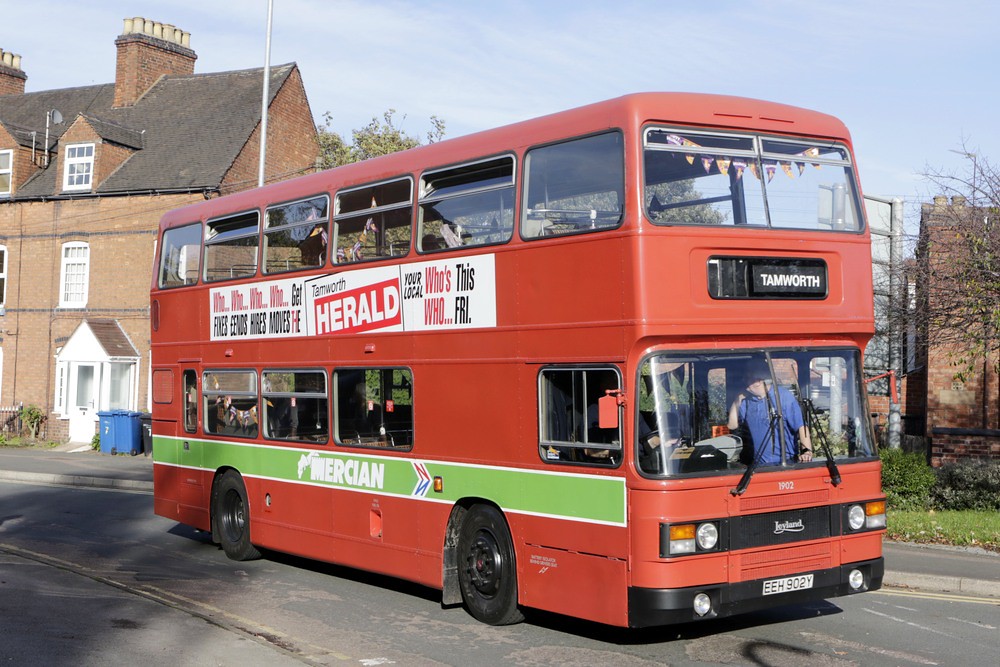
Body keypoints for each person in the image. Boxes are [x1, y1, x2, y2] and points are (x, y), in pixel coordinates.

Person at [727, 362, 813, 465]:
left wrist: (807, 451)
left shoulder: (783, 397)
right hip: (757, 466)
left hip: (784, 463)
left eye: (747, 378)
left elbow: (801, 426)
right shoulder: (747, 401)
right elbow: (732, 425)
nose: (744, 381)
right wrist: (737, 400)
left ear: (758, 381)